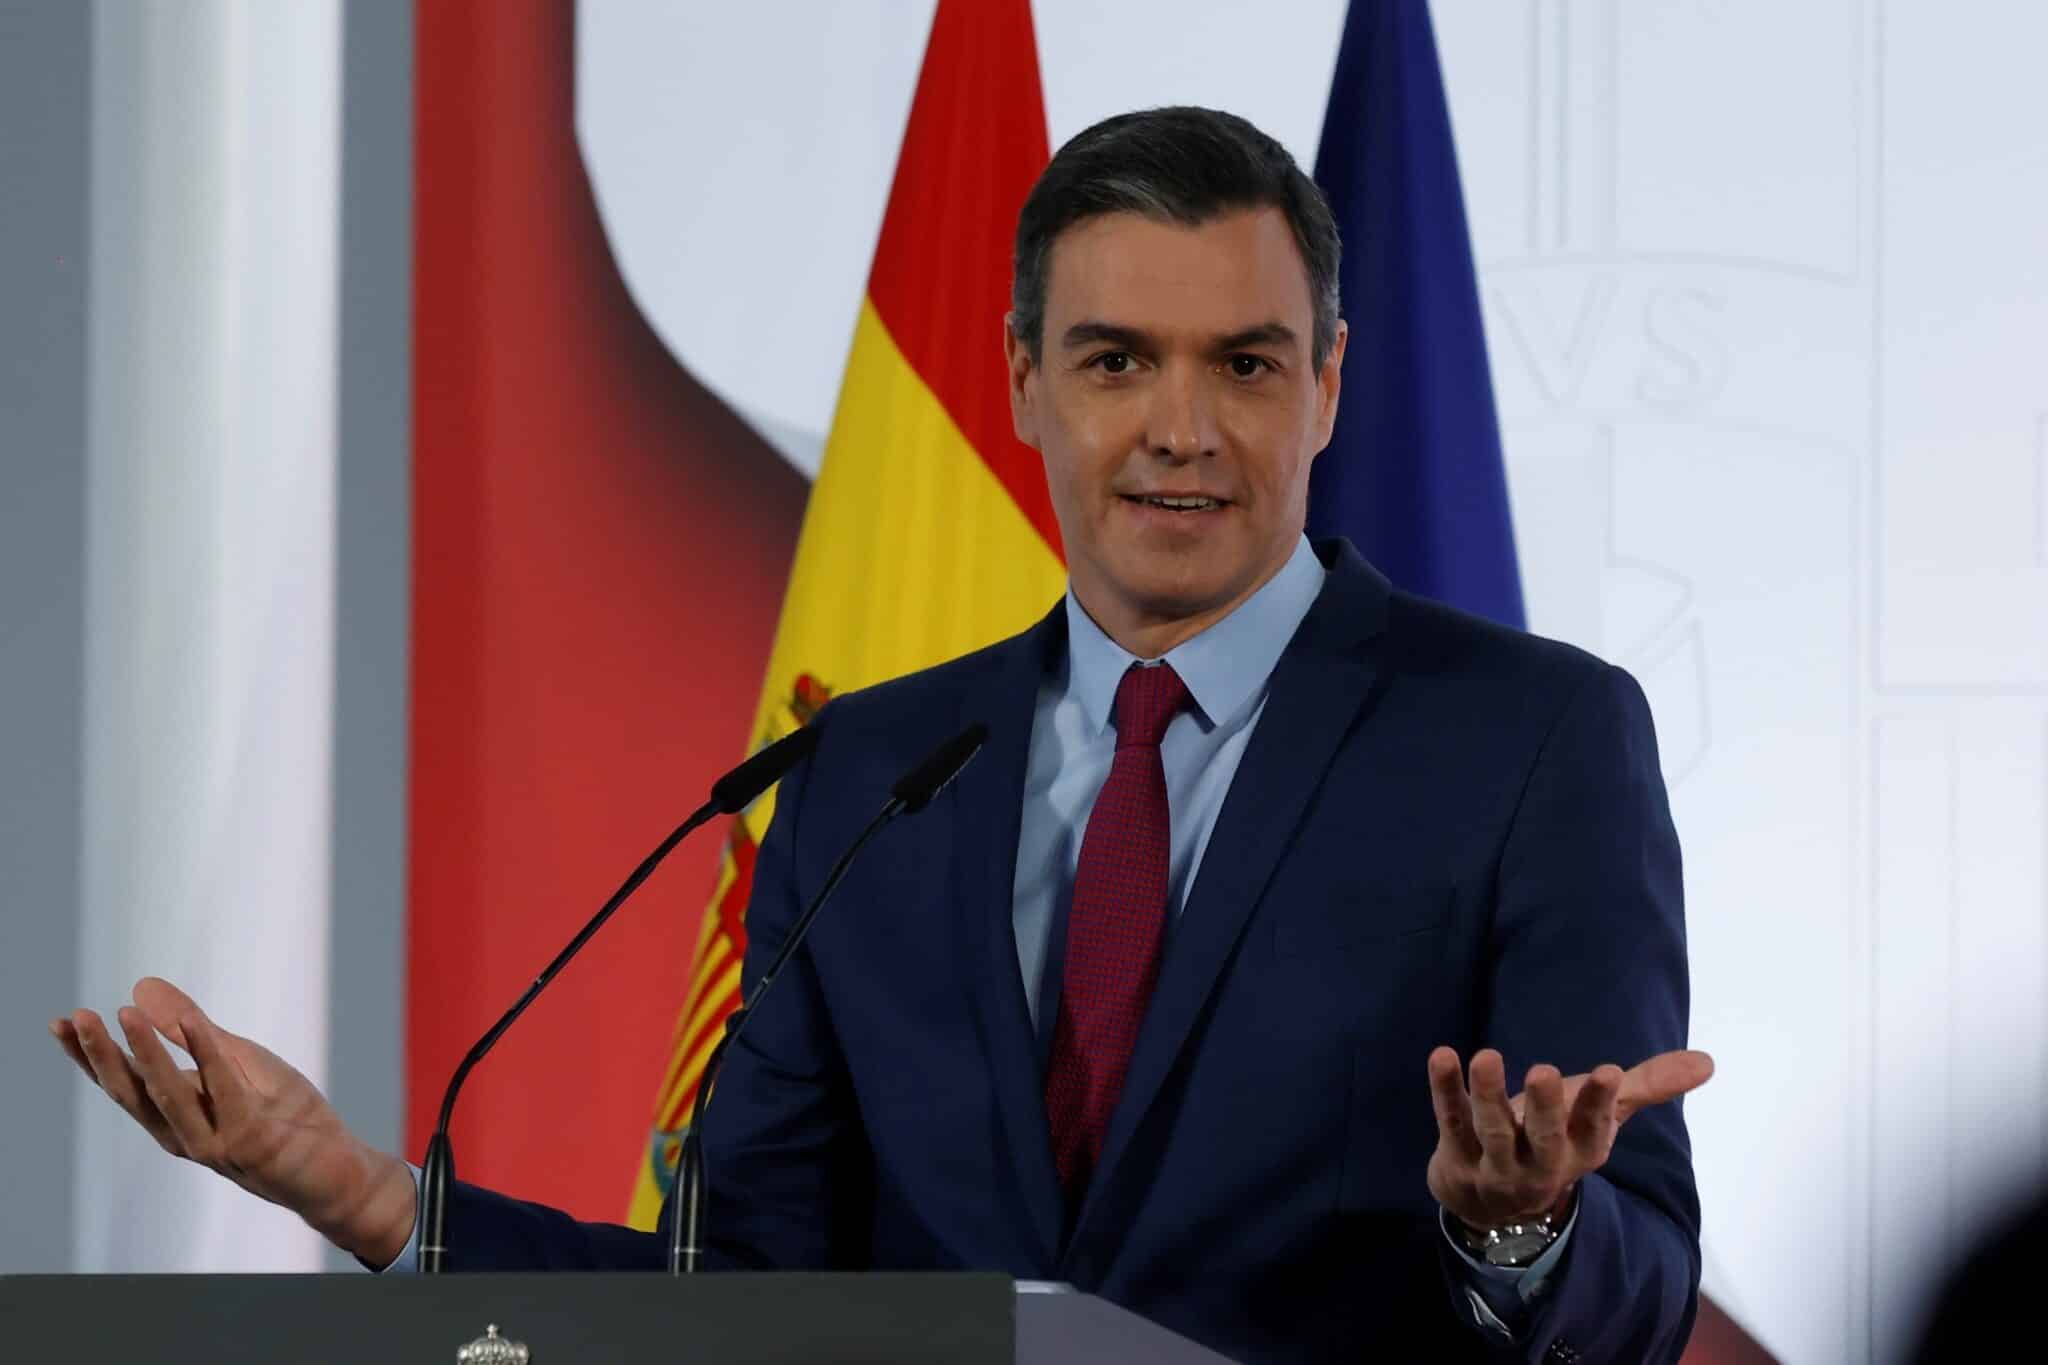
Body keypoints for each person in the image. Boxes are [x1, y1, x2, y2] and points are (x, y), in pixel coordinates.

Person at [51, 107, 1713, 1362]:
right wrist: (365, 1196)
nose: (1182, 429)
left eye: (1249, 364)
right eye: (1117, 359)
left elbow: (1635, 1282)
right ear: (1022, 381)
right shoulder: (868, 772)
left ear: (1332, 387)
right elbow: (745, 1300)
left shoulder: (1533, 740)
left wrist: (1528, 1227)